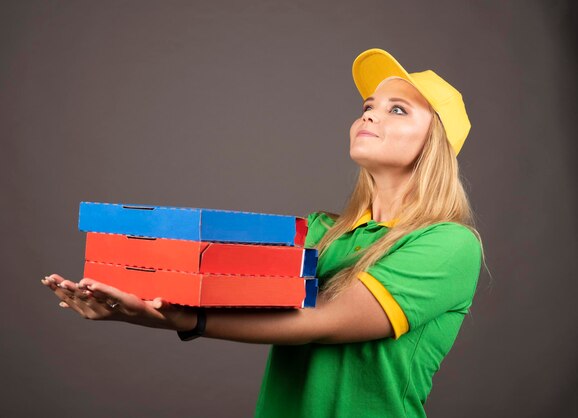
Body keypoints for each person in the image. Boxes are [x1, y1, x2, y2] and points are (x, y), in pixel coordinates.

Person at [41, 48, 485, 417]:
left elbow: (322, 322)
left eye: (397, 110)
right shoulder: (320, 231)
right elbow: (215, 278)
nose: (369, 115)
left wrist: (171, 318)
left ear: (434, 144)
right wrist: (133, 291)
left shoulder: (448, 244)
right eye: (367, 106)